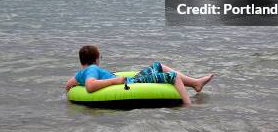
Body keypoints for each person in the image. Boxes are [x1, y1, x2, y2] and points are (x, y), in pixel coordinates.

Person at [64, 45, 214, 105]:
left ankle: (195, 83)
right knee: (172, 77)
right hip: (130, 83)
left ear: (81, 61)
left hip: (132, 80)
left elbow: (68, 86)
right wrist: (115, 81)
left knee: (159, 66)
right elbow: (90, 86)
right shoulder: (92, 69)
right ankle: (189, 106)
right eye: (100, 58)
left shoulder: (81, 73)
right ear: (96, 60)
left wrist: (77, 85)